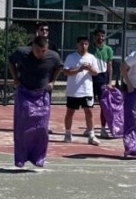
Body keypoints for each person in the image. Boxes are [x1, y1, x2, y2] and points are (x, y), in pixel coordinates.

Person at [9, 35, 63, 167]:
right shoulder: (22, 52)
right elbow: (11, 61)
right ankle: (21, 158)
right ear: (32, 47)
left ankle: (38, 157)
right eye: (38, 51)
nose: (41, 54)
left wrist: (52, 81)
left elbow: (59, 66)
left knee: (42, 127)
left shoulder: (53, 56)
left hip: (42, 94)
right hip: (24, 92)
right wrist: (15, 78)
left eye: (43, 51)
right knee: (22, 126)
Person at [63, 36, 100, 146]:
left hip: (87, 90)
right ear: (77, 45)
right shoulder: (71, 57)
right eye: (81, 44)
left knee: (89, 112)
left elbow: (95, 72)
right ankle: (68, 133)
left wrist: (89, 69)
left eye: (86, 44)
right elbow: (65, 72)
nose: (83, 46)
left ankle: (91, 135)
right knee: (70, 112)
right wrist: (79, 69)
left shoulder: (92, 57)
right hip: (73, 91)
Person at [89, 28, 114, 139]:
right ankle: (89, 128)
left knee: (103, 105)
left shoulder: (108, 49)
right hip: (90, 79)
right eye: (98, 36)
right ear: (94, 37)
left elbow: (110, 66)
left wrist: (110, 81)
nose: (100, 38)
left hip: (102, 79)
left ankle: (103, 129)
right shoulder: (89, 48)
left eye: (102, 36)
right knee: (88, 105)